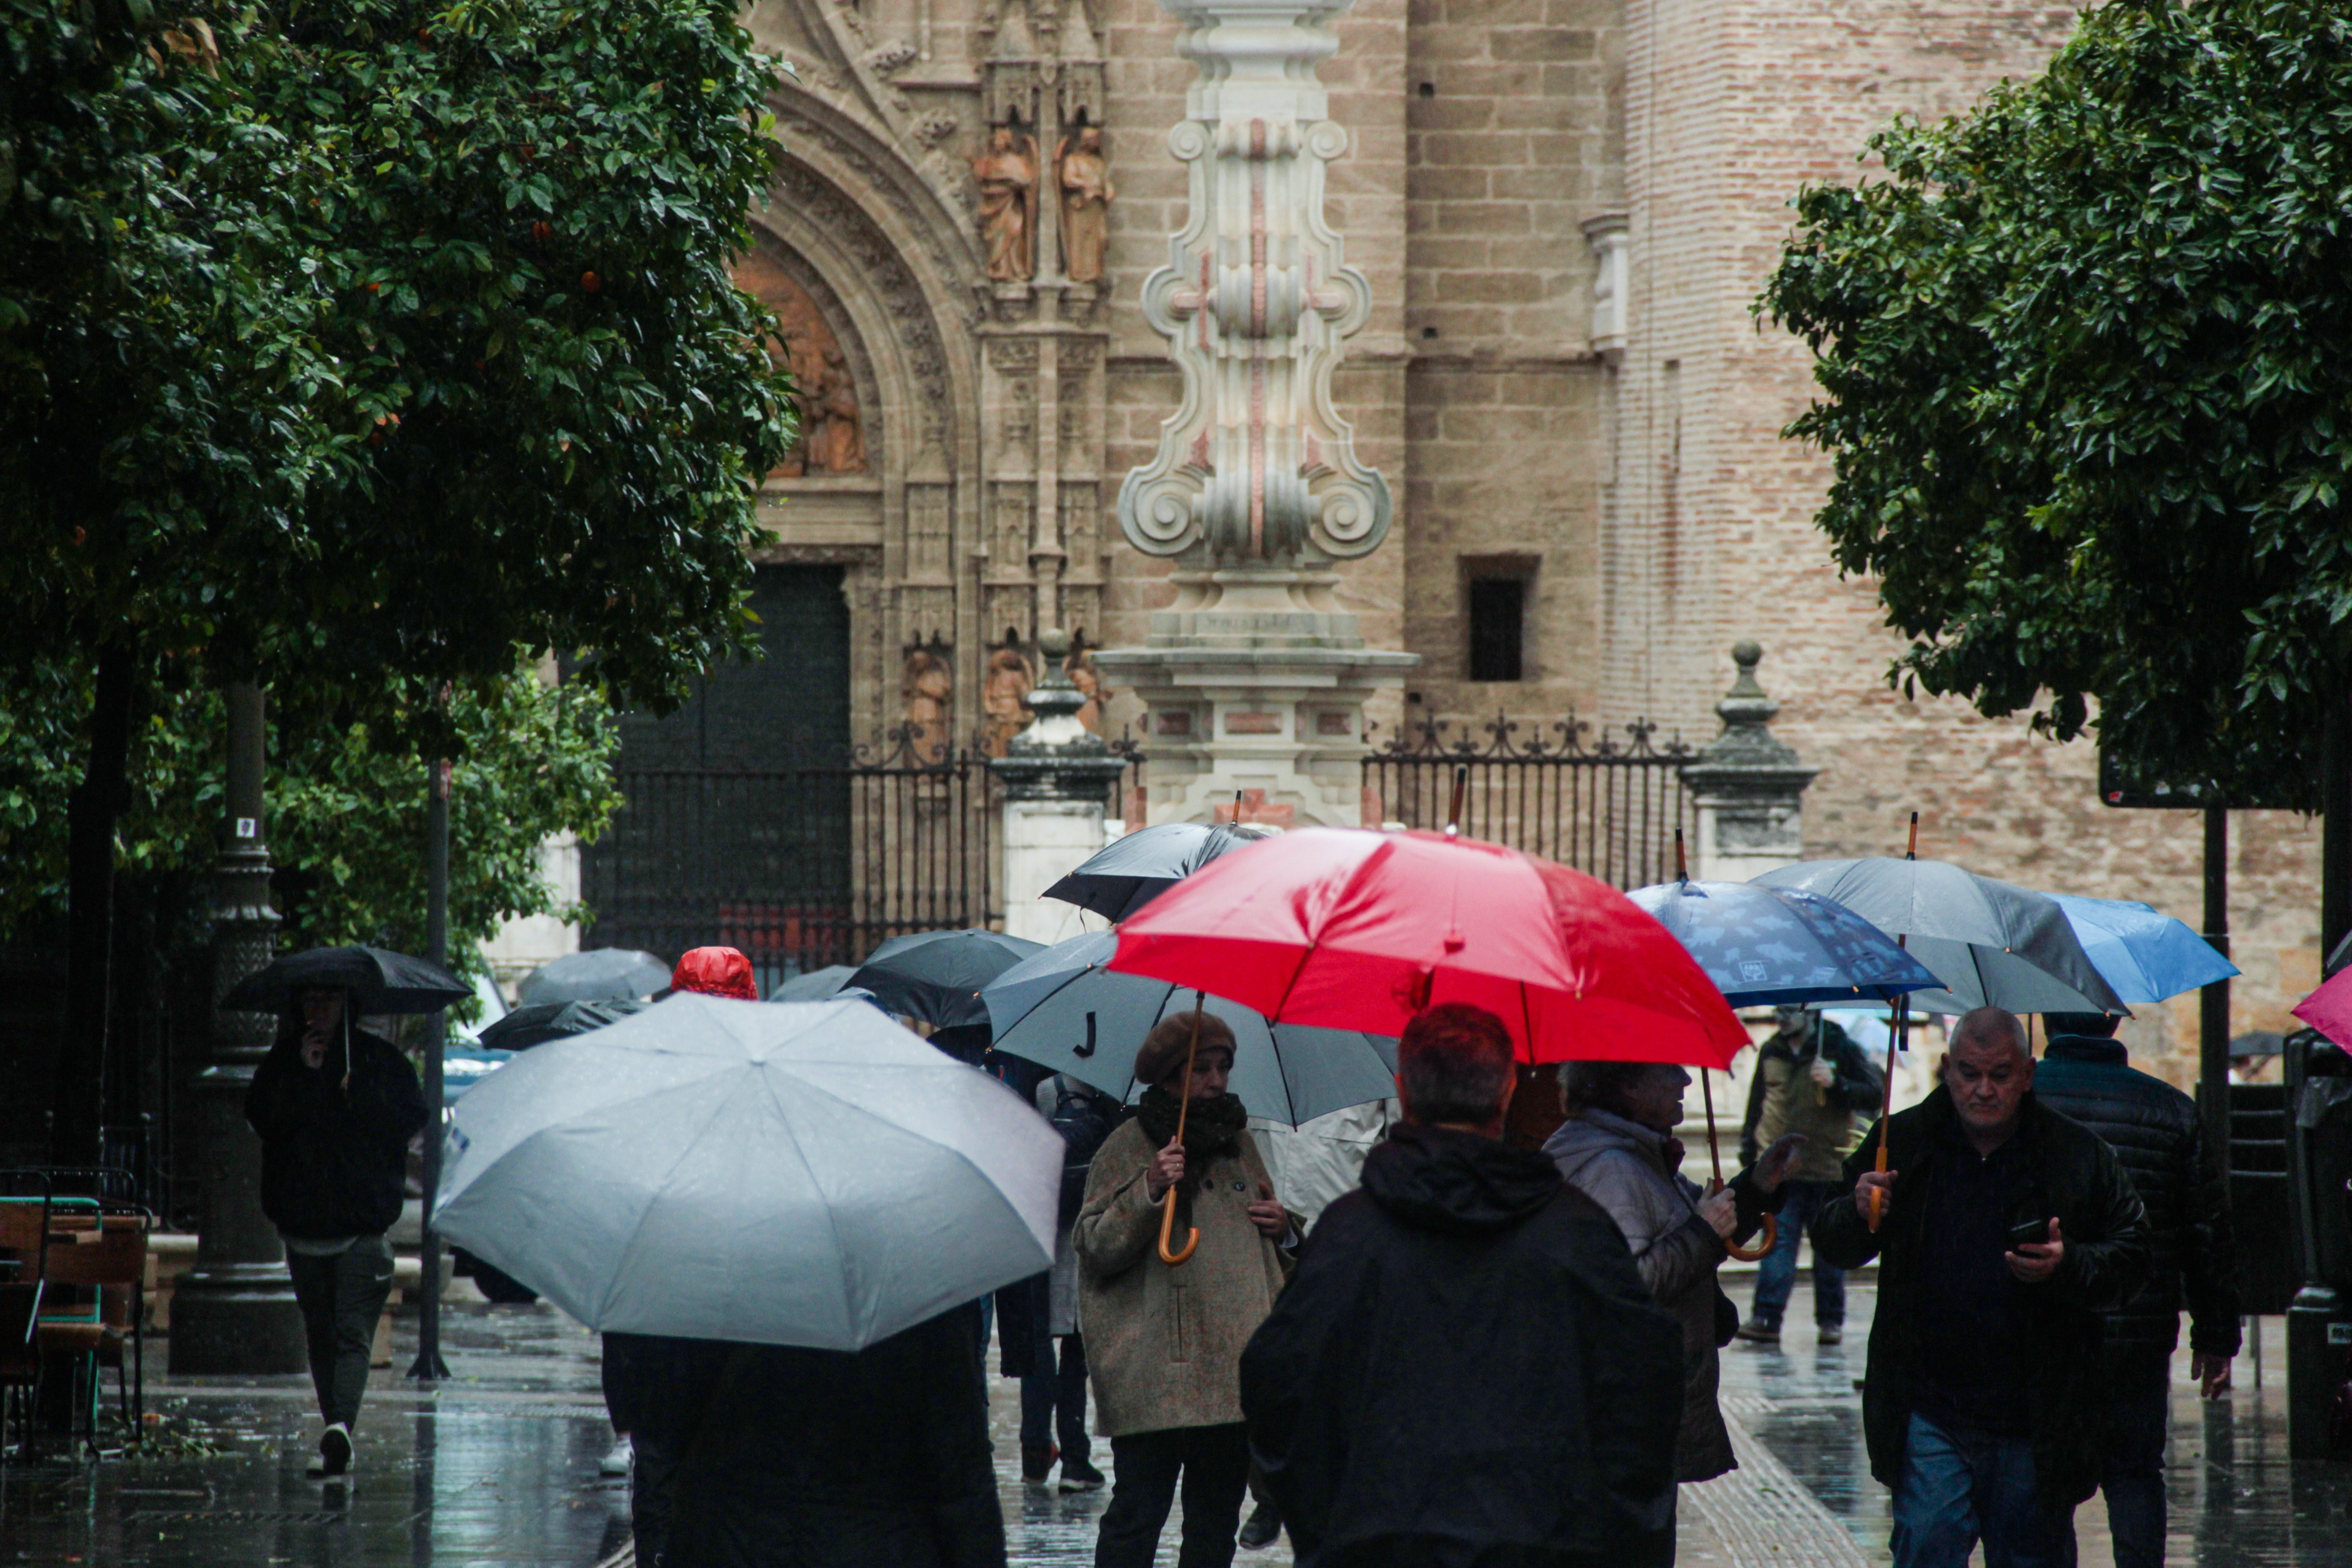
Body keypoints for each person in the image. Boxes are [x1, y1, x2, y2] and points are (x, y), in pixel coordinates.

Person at [1241, 1004, 1684, 1568]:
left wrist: (1331, 1525)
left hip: (1380, 1542)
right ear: (1506, 1092)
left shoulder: (1348, 1236)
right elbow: (1645, 1390)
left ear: (1402, 1091)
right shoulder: (1577, 1233)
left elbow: (1277, 1385)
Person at [1813, 1006, 2152, 1568]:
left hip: (2035, 1415)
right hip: (1931, 1406)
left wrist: (2068, 1265)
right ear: (1948, 1070)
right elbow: (1835, 1242)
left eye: (2000, 1075)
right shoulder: (1904, 1143)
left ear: (2028, 1074)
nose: (1984, 1090)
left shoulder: (2074, 1154)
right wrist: (1857, 1212)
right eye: (1970, 1074)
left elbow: (2134, 1256)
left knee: (2030, 1553)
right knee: (1928, 1541)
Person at [1074, 1011, 1294, 1568]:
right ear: (1169, 1077)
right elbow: (1095, 1245)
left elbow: (1276, 1252)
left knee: (1214, 1523)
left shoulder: (1239, 1141)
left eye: (1223, 1067)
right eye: (1202, 1069)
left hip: (1228, 1372)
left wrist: (1284, 1226)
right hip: (1154, 1373)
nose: (1218, 1081)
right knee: (1136, 1518)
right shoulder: (1129, 1144)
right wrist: (1149, 1187)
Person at [2029, 1010, 2239, 1568]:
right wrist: (2216, 1333)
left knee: (2045, 1476)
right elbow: (2206, 1232)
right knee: (2135, 1472)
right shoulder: (2169, 1108)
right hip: (2138, 1329)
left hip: (2040, 1327)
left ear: (2047, 1021)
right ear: (2112, 1022)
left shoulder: (2019, 1105)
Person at [1547, 1060, 1802, 1486]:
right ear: (1628, 1085)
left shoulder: (1636, 1154)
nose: (1685, 1080)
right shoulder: (1611, 1167)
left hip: (1637, 1408)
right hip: (1625, 1414)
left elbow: (1703, 1229)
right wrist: (1703, 1233)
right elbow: (1630, 1284)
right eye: (1669, 1071)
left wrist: (1758, 1186)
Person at [603, 946, 760, 1565]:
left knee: (662, 1469)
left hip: (660, 1310)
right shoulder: (770, 1082)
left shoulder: (645, 1080)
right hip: (739, 1314)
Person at [245, 985, 430, 1479]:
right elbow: (264, 1118)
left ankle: (341, 1426)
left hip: (362, 1226)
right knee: (320, 1332)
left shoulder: (378, 1061)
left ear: (349, 1005)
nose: (318, 1011)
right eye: (311, 1001)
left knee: (352, 1332)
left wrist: (357, 1093)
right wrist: (307, 1078)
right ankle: (336, 1431)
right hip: (304, 1226)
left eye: (328, 1001)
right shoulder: (285, 1063)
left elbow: (407, 1119)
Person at [664, 1304, 1006, 1568]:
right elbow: (960, 1471)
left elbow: (675, 1431)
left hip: (746, 1539)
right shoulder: (921, 1297)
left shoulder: (719, 1289)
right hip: (882, 1545)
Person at [1236, 1096, 1400, 1549]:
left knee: (1341, 1380)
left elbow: (1400, 1144)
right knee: (1266, 1372)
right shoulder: (1261, 1055)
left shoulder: (1371, 1067)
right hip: (1266, 1245)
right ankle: (1269, 1493)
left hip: (1345, 1247)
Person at [1735, 1005, 1885, 1345]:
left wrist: (1837, 1084)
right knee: (1777, 1246)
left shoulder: (1837, 1045)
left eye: (1791, 1011)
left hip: (1827, 1170)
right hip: (1781, 1172)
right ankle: (1766, 1318)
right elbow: (1757, 1103)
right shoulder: (1772, 1049)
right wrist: (1750, 1153)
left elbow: (1873, 1093)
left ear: (1811, 1012)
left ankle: (1831, 1321)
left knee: (1828, 1251)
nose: (1782, 1017)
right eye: (1779, 1011)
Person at [1004, 1071, 1117, 1493]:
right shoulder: (1109, 1087)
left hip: (1041, 1224)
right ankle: (1075, 1458)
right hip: (1086, 1229)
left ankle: (1035, 1451)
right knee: (1075, 1349)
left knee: (1038, 1346)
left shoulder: (1036, 1080)